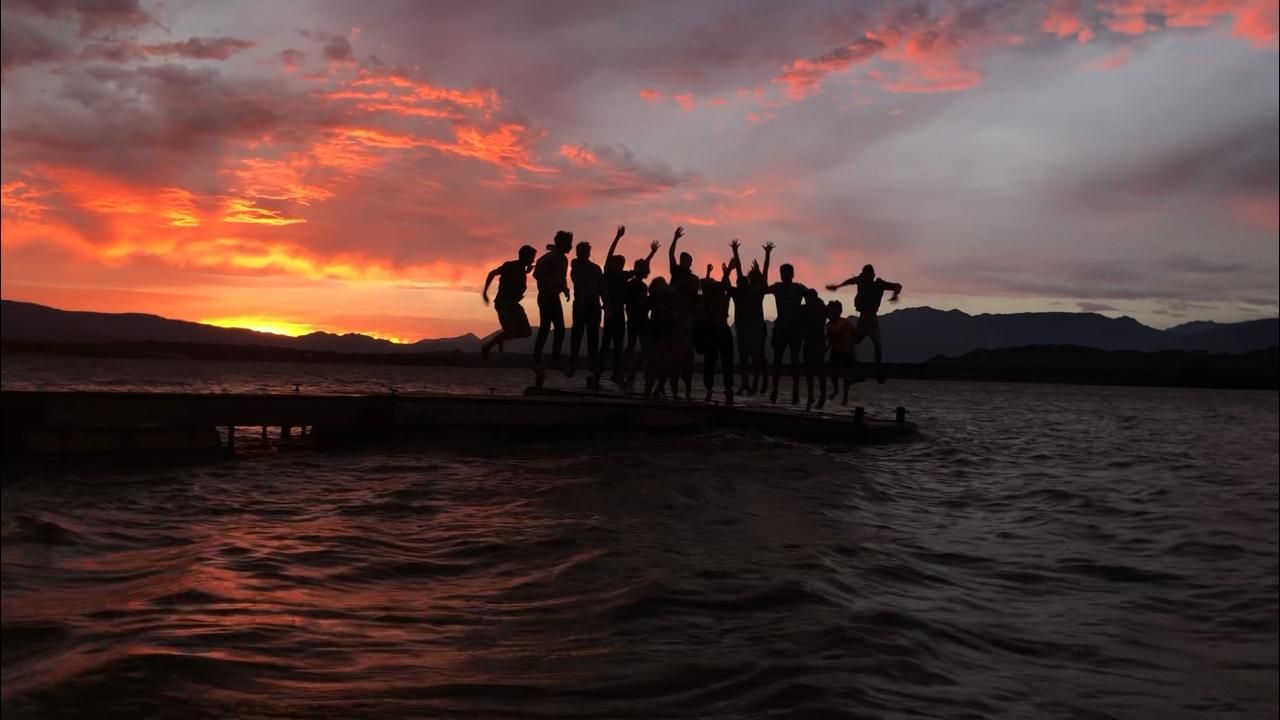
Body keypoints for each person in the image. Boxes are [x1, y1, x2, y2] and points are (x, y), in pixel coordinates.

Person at [600, 227, 659, 386]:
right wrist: (617, 237)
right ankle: (610, 373)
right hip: (624, 317)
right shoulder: (615, 276)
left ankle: (621, 373)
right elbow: (611, 257)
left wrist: (651, 254)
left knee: (622, 346)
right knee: (614, 345)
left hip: (627, 317)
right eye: (620, 263)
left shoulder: (631, 280)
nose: (621, 265)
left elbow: (640, 269)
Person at [826, 265, 902, 383]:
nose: (867, 278)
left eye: (869, 276)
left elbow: (898, 286)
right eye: (865, 276)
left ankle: (877, 371)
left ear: (873, 276)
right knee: (853, 342)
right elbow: (850, 281)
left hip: (872, 320)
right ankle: (856, 371)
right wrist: (838, 286)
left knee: (877, 345)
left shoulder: (879, 284)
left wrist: (895, 294)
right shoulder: (861, 281)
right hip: (863, 319)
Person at [729, 239, 771, 396]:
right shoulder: (741, 290)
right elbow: (739, 271)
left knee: (757, 356)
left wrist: (767, 255)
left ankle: (757, 383)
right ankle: (746, 383)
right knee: (744, 356)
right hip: (743, 328)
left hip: (756, 328)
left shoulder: (758, 291)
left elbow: (764, 274)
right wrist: (735, 252)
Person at [480, 244, 537, 357]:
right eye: (532, 257)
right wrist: (485, 292)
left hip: (514, 304)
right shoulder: (510, 266)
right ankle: (489, 345)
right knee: (512, 330)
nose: (533, 260)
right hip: (504, 304)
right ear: (525, 257)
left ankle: (499, 339)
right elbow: (492, 273)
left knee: (526, 332)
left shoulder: (521, 269)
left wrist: (526, 272)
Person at [766, 257, 807, 405]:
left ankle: (795, 393)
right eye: (783, 274)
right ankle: (774, 391)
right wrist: (766, 260)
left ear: (792, 274)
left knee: (795, 361)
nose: (785, 276)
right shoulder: (777, 287)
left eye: (787, 273)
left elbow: (812, 298)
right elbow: (763, 289)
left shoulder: (799, 288)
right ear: (780, 275)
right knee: (777, 361)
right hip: (781, 329)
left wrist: (804, 315)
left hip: (795, 330)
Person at [532, 230, 572, 380]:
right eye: (569, 244)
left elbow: (562, 277)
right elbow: (536, 273)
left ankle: (555, 359)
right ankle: (536, 360)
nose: (571, 246)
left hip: (554, 297)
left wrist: (565, 289)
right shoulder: (549, 258)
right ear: (562, 244)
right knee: (545, 327)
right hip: (545, 296)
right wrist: (550, 282)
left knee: (560, 328)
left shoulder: (564, 260)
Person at [699, 262, 735, 405]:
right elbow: (706, 286)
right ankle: (711, 388)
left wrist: (727, 272)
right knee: (711, 361)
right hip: (713, 331)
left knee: (725, 360)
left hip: (721, 331)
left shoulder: (722, 297)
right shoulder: (709, 299)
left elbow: (725, 285)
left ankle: (726, 388)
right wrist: (725, 271)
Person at [566, 240, 603, 381]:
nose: (581, 254)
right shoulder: (577, 267)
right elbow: (581, 284)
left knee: (591, 336)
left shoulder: (594, 268)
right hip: (583, 305)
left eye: (583, 251)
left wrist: (606, 304)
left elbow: (601, 287)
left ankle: (590, 365)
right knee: (579, 335)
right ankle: (573, 364)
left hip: (592, 305)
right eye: (580, 252)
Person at [667, 226, 696, 400]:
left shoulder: (693, 279)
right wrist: (675, 239)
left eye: (690, 261)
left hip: (687, 319)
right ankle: (674, 391)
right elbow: (671, 254)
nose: (688, 263)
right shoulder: (676, 271)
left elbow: (697, 297)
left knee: (687, 355)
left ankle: (688, 391)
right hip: (674, 317)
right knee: (673, 355)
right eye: (686, 260)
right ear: (682, 261)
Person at [825, 300, 858, 406]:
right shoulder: (828, 325)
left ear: (838, 312)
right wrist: (826, 348)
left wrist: (854, 349)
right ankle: (836, 390)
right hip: (835, 351)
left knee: (846, 376)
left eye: (830, 311)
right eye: (827, 311)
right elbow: (830, 339)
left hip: (847, 351)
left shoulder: (845, 322)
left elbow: (854, 334)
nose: (828, 313)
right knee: (833, 373)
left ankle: (845, 397)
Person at [802, 288, 829, 410]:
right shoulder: (805, 309)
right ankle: (810, 396)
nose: (807, 301)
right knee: (809, 372)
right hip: (808, 343)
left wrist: (826, 344)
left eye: (809, 299)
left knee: (820, 372)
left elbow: (831, 321)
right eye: (806, 299)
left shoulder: (821, 309)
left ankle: (822, 396)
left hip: (818, 343)